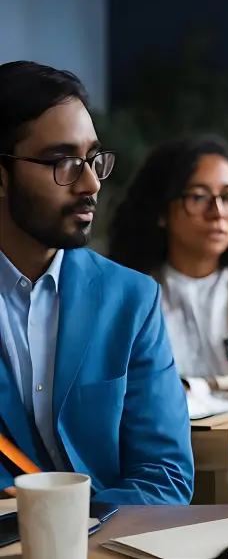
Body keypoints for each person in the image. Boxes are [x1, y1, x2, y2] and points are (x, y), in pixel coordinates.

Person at [0, 61, 193, 504]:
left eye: (93, 159)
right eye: (62, 162)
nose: (90, 183)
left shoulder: (130, 300)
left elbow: (166, 479)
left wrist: (58, 513)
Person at [108, 135, 228, 398]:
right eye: (199, 197)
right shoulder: (125, 299)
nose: (217, 212)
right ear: (162, 211)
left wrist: (197, 388)